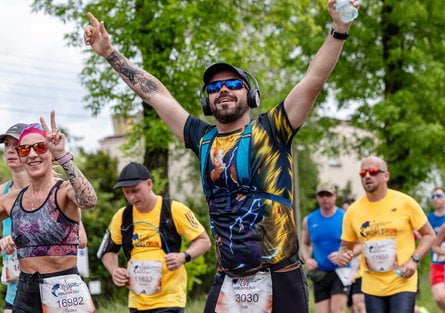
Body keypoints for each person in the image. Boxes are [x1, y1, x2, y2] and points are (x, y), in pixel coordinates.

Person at [84, 1, 359, 311]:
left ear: (250, 95)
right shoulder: (202, 139)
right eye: (214, 87)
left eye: (232, 84)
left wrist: (340, 28)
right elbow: (154, 94)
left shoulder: (273, 129)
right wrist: (110, 53)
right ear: (207, 99)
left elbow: (313, 80)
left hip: (280, 274)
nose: (223, 90)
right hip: (229, 276)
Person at [0, 113, 98, 313]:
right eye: (25, 149)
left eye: (40, 147)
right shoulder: (10, 199)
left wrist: (63, 156)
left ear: (51, 154)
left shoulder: (64, 192)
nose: (33, 154)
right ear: (20, 156)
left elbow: (89, 200)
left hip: (64, 290)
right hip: (25, 293)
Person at [98, 162, 211, 313]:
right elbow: (107, 251)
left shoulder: (174, 209)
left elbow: (204, 241)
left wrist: (184, 257)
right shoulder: (122, 216)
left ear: (149, 184)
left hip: (170, 298)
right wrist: (114, 270)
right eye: (127, 192)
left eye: (136, 191)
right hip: (137, 300)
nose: (132, 197)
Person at [337, 156, 436, 313]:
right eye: (363, 173)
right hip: (372, 285)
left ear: (386, 176)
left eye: (373, 172)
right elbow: (346, 245)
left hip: (402, 280)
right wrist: (343, 254)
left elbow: (429, 235)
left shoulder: (405, 202)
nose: (367, 176)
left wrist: (414, 260)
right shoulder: (353, 211)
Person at [300, 182, 348, 313]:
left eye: (328, 195)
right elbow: (305, 244)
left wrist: (342, 254)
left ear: (335, 196)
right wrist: (307, 259)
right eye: (321, 195)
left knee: (336, 311)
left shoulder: (345, 217)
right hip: (320, 273)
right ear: (317, 198)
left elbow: (354, 243)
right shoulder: (309, 220)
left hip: (340, 271)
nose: (325, 198)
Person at [0, 123, 28, 313]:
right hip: (15, 288)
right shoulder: (3, 191)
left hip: (49, 286)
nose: (10, 150)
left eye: (15, 144)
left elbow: (81, 239)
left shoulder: (52, 189)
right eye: (6, 145)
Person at [427, 187, 445, 313]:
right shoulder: (429, 218)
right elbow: (422, 237)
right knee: (439, 298)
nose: (435, 199)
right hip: (437, 264)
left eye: (438, 195)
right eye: (433, 197)